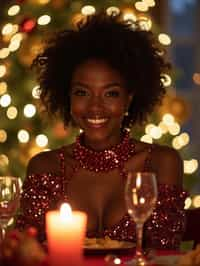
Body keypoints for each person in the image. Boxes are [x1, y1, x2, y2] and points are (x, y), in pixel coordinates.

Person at [16, 11, 187, 250]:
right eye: (82, 92)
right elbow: (27, 253)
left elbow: (166, 253)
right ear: (68, 97)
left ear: (129, 100)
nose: (95, 107)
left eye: (111, 93)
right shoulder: (45, 167)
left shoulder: (160, 163)